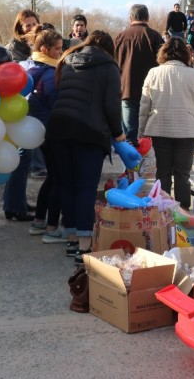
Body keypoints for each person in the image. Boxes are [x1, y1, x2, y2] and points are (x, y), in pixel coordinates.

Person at [46, 30, 123, 264]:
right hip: (88, 133)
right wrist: (118, 134)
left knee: (67, 185)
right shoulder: (108, 66)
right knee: (86, 188)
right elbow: (112, 106)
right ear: (109, 49)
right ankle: (83, 247)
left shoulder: (68, 61)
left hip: (58, 129)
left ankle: (71, 239)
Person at [138, 38, 194, 210]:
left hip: (160, 129)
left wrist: (141, 133)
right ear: (185, 54)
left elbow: (144, 106)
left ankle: (163, 210)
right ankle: (182, 212)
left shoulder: (153, 73)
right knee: (183, 174)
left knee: (163, 173)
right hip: (187, 132)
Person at [3, 26, 64, 224]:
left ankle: (15, 203)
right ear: (45, 49)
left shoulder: (26, 65)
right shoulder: (49, 72)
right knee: (27, 166)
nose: (60, 53)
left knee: (20, 164)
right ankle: (15, 207)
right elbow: (54, 102)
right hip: (40, 124)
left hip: (23, 122)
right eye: (57, 49)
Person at [115, 4, 164, 143]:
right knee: (148, 136)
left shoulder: (120, 37)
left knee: (129, 136)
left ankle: (131, 165)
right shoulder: (154, 36)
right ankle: (147, 164)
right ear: (147, 17)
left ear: (130, 18)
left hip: (126, 90)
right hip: (151, 92)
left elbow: (114, 63)